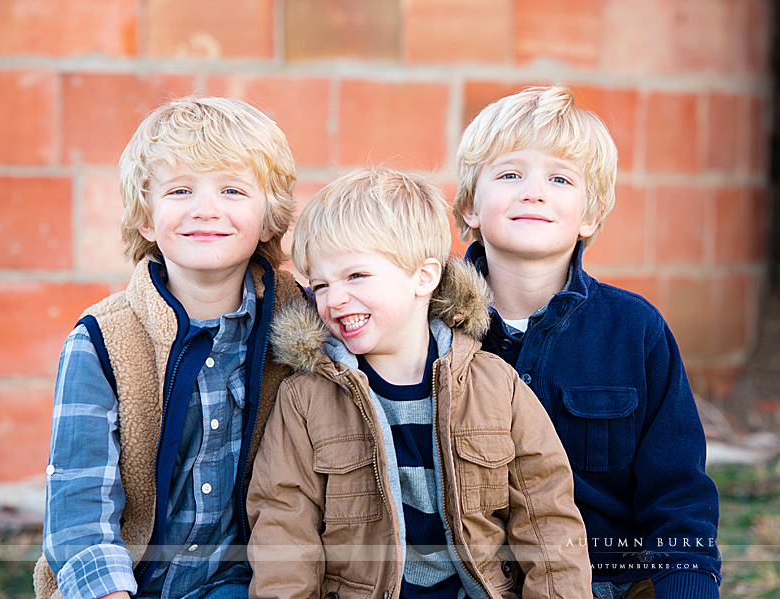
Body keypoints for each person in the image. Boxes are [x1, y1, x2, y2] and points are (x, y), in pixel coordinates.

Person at [246, 166, 592, 599]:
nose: (334, 298)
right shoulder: (306, 399)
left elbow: (547, 517)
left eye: (356, 276)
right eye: (320, 284)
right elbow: (283, 526)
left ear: (423, 276)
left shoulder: (493, 385)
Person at [453, 85, 722, 599]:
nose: (534, 191)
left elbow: (677, 493)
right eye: (510, 174)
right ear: (469, 204)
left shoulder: (636, 330)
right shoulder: (428, 327)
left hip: (612, 582)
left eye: (559, 178)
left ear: (590, 216)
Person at [34, 96, 302, 599]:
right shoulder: (101, 341)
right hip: (131, 584)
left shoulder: (302, 325)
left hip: (247, 584)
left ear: (270, 218)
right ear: (145, 219)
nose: (206, 208)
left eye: (232, 189)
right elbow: (78, 508)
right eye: (180, 189)